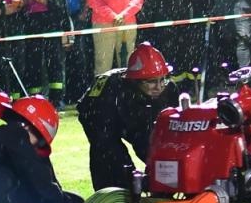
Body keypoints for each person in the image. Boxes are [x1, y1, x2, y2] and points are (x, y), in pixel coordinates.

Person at [77, 43, 179, 191]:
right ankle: (114, 195)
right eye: (151, 81)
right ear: (134, 81)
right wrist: (127, 175)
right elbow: (103, 137)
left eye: (163, 79)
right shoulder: (108, 91)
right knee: (109, 158)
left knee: (160, 153)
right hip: (101, 119)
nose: (159, 87)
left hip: (136, 117)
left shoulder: (169, 90)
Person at [18, 0, 72, 107]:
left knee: (54, 58)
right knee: (33, 60)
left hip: (50, 20)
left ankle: (56, 100)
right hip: (32, 21)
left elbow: (57, 4)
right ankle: (35, 99)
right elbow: (24, 4)